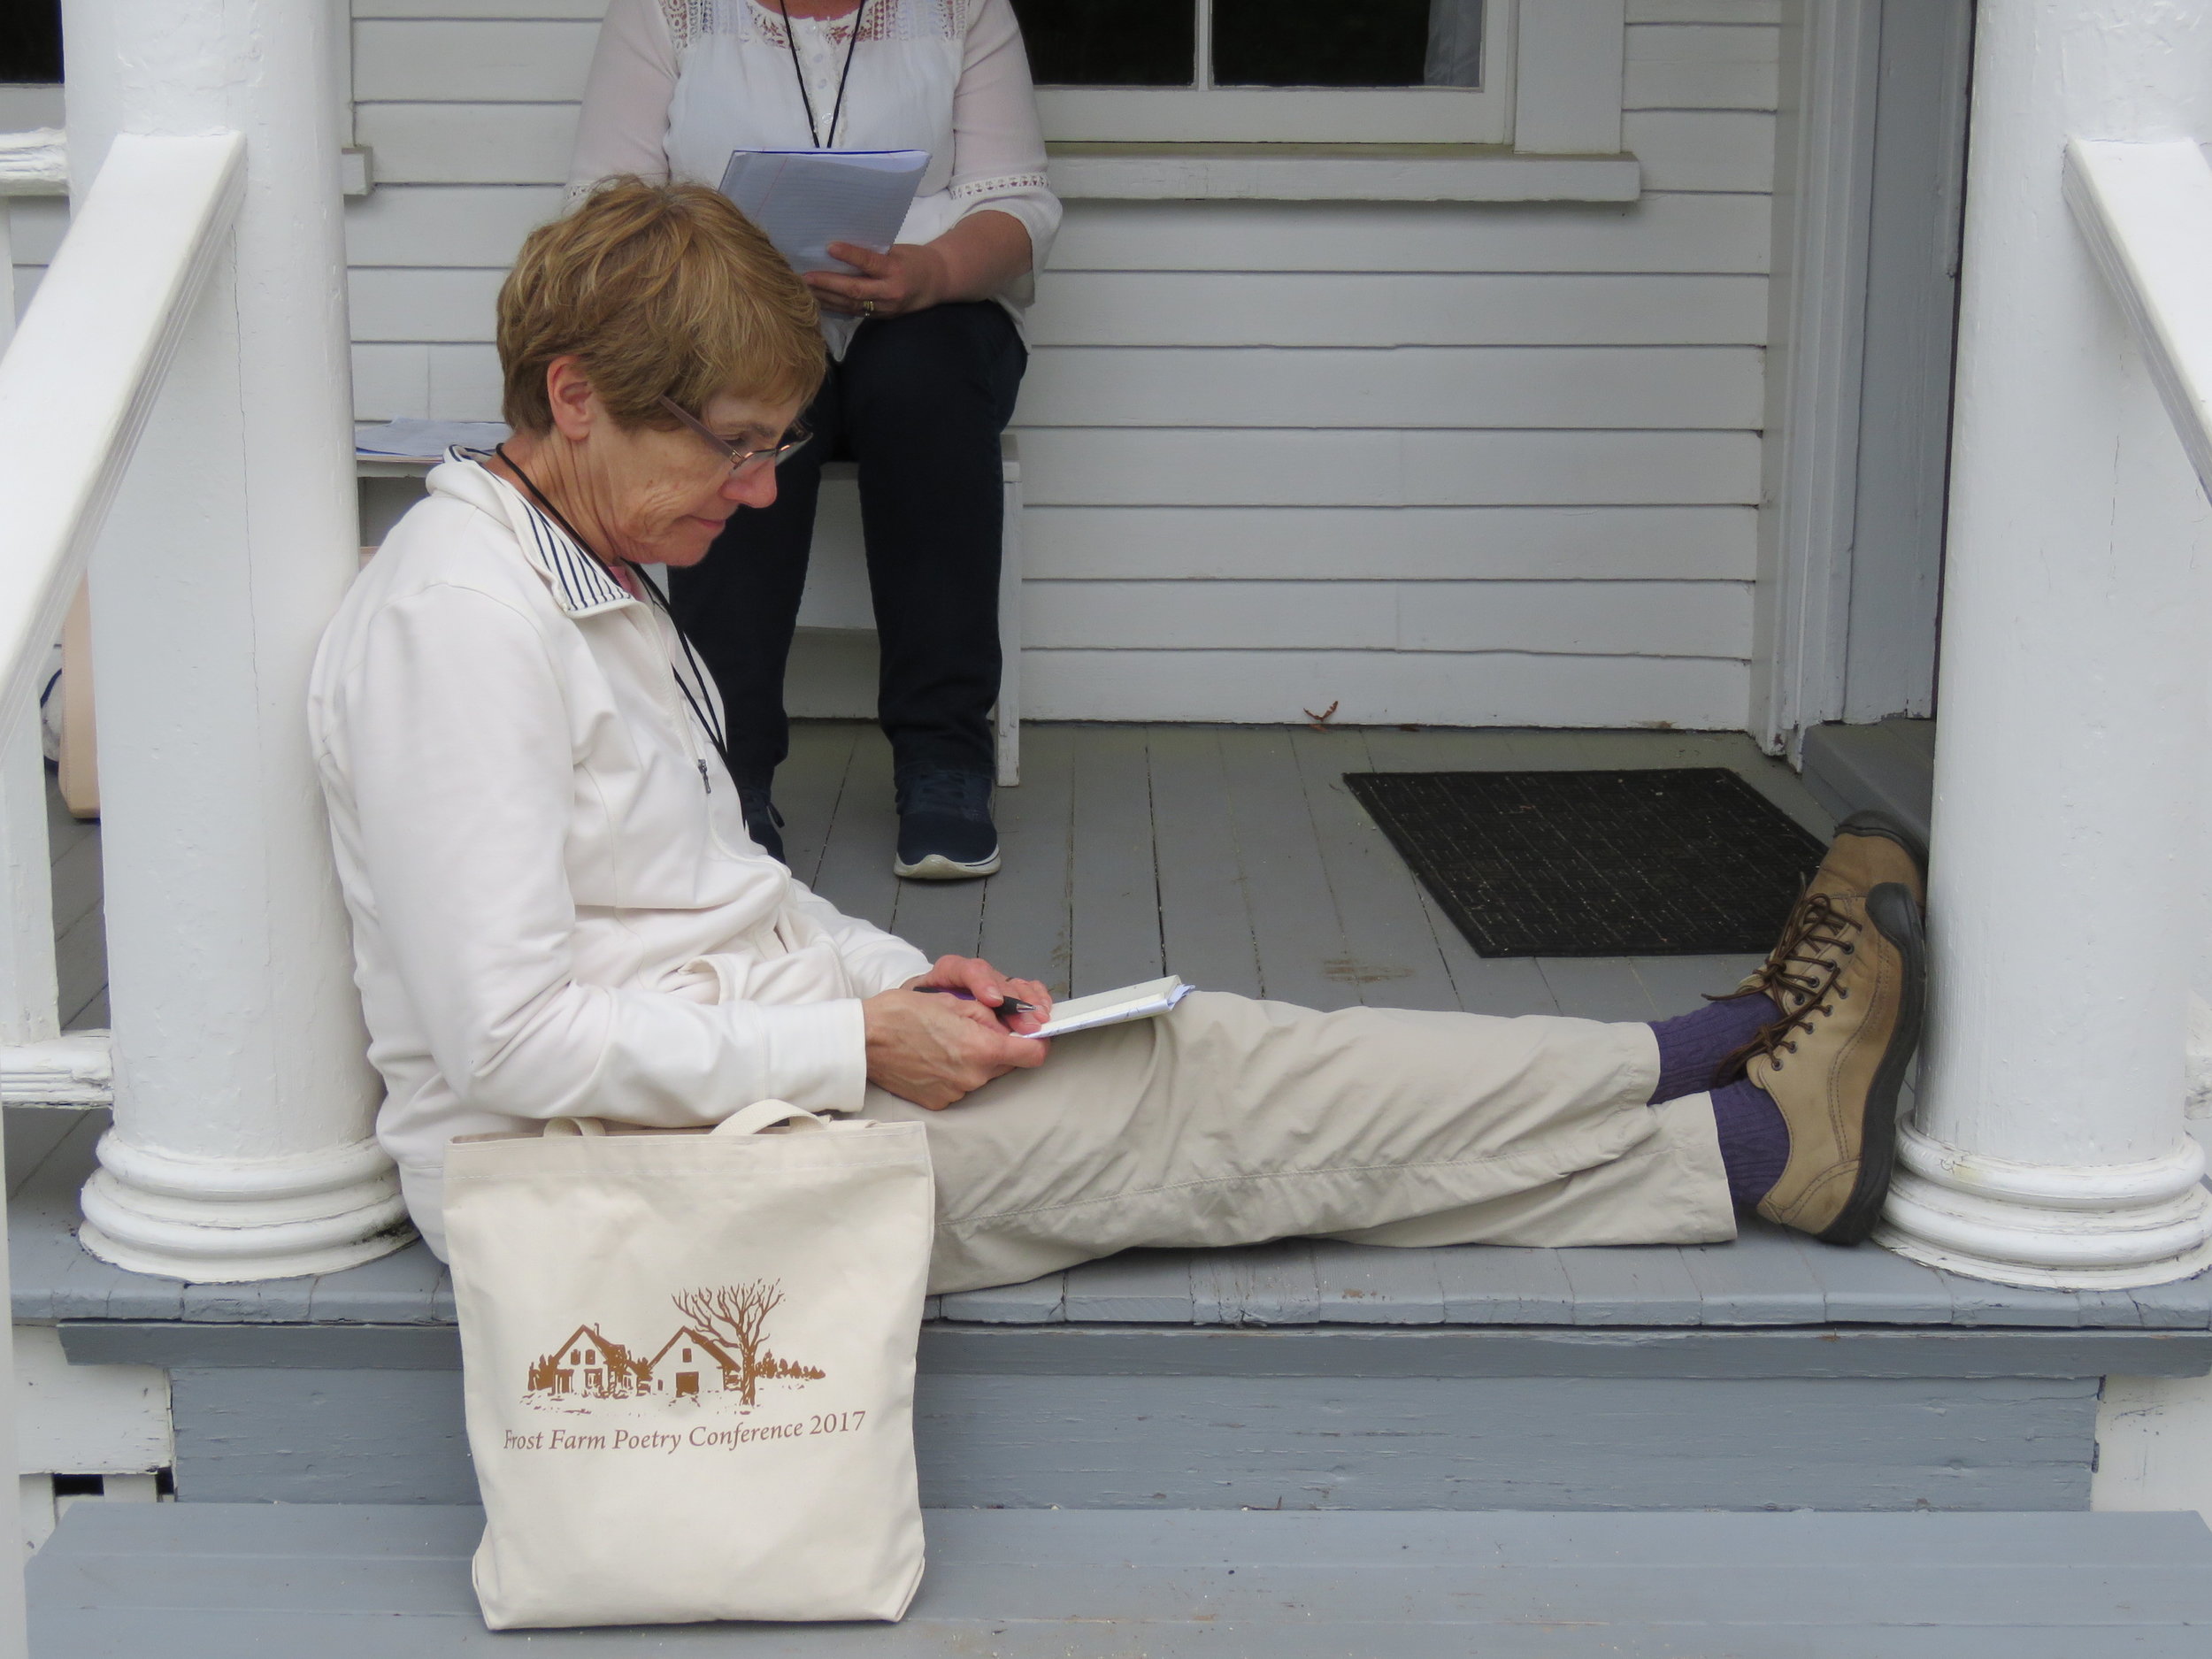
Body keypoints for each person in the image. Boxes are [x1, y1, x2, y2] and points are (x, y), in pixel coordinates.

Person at [309, 182, 1927, 1289]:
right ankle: (1719, 1095)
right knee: (1195, 1104)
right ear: (576, 394)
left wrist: (897, 978)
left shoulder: (585, 564)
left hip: (741, 1095)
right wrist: (853, 1046)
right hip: (616, 1190)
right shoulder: (460, 624)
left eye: (771, 452)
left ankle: (1725, 1110)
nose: (757, 493)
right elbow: (505, 1044)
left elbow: (713, 892)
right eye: (732, 450)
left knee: (1190, 1068)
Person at [565, 0, 1058, 880]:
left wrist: (932, 271)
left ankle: (943, 757)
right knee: (738, 402)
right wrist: (728, 279)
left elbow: (1018, 203)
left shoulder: (959, 9)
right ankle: (728, 767)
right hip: (735, 321)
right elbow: (604, 204)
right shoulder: (669, 12)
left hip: (931, 315)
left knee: (922, 381)